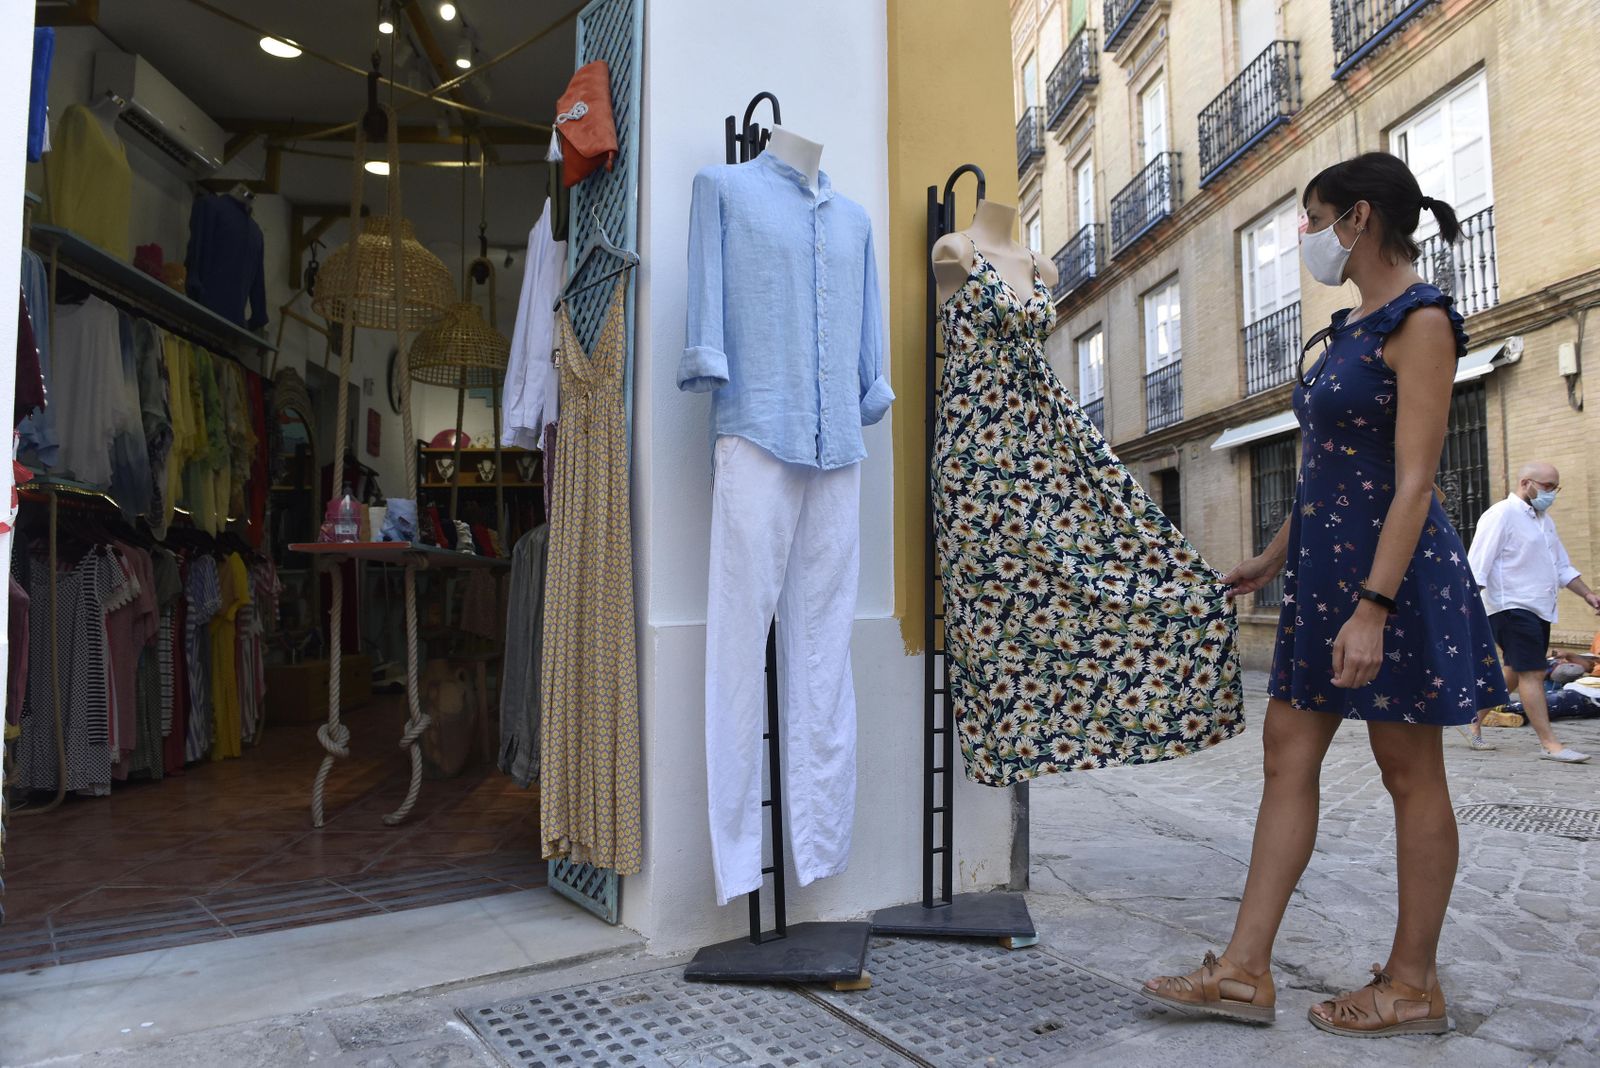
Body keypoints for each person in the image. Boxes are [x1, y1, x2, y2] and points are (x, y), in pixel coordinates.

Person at [1140, 153, 1508, 1038]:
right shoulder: (1348, 327)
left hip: (1396, 580)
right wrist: (1272, 561)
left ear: (1362, 220)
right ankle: (1241, 971)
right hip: (1323, 575)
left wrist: (1374, 608)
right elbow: (1327, 473)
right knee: (1283, 754)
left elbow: (1414, 481)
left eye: (1314, 219)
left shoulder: (1421, 323)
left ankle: (1413, 983)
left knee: (1409, 771)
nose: (1305, 237)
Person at [1464, 463, 1600, 761]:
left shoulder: (1543, 521)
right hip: (1511, 606)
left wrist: (1589, 594)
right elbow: (1477, 566)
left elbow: (1562, 567)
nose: (1552, 493)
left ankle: (1472, 721)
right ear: (1526, 483)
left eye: (1556, 487)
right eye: (1548, 486)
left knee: (1515, 670)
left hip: (1540, 609)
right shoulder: (1501, 515)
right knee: (1533, 672)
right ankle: (1550, 744)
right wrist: (1469, 609)